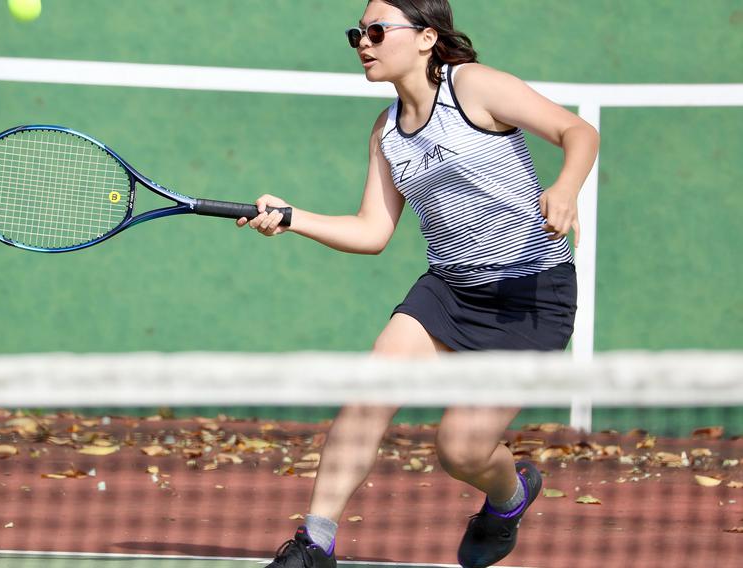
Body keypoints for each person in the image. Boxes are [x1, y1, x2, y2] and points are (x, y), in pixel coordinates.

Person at [237, 1, 599, 566]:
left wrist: (567, 186)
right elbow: (372, 230)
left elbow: (577, 130)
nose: (364, 42)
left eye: (378, 31)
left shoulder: (474, 88)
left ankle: (510, 496)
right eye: (359, 32)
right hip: (449, 289)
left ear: (427, 38)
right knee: (367, 394)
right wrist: (292, 217)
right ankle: (314, 544)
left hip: (530, 294)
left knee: (460, 450)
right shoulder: (387, 130)